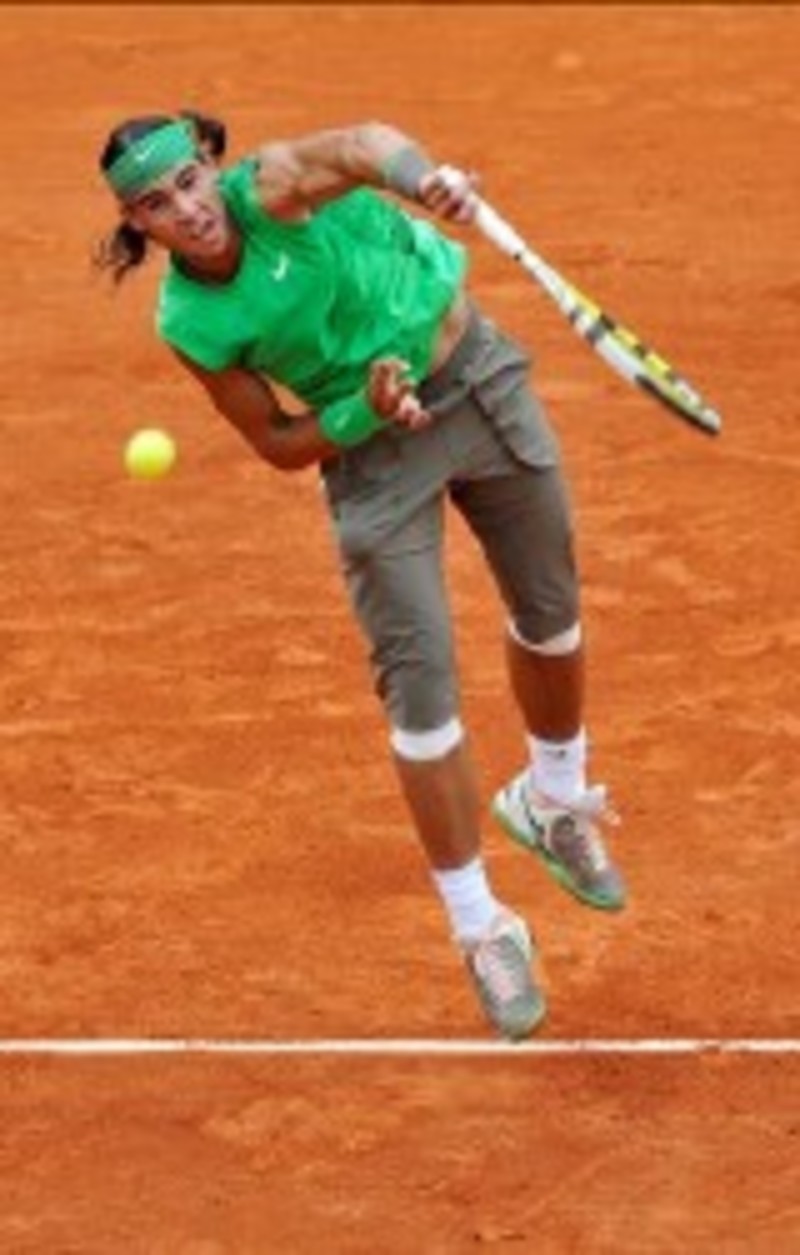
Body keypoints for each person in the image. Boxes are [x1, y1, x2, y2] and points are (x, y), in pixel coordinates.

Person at [95, 109, 626, 1042]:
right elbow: (274, 439)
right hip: (374, 457)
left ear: (212, 164)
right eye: (157, 204)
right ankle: (481, 927)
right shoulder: (191, 320)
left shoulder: (272, 187)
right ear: (139, 224)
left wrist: (425, 179)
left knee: (552, 612)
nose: (187, 209)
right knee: (422, 703)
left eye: (187, 181)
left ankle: (553, 797)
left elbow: (363, 147)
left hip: (478, 376)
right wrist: (361, 412)